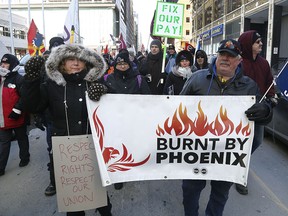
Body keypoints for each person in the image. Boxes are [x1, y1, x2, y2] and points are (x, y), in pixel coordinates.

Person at [180, 39, 273, 216]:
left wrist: (265, 110)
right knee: (190, 191)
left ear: (239, 61)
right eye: (222, 54)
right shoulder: (197, 79)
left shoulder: (249, 86)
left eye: (231, 56)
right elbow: (176, 108)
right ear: (216, 57)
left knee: (220, 194)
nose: (225, 58)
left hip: (227, 155)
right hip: (195, 152)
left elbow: (263, 119)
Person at [22, 44, 112, 216]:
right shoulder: (51, 85)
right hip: (66, 150)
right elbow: (33, 105)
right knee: (74, 203)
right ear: (62, 63)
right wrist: (31, 80)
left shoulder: (94, 82)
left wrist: (105, 91)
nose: (76, 63)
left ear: (87, 63)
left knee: (101, 198)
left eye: (80, 60)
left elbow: (116, 107)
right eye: (71, 59)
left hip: (92, 147)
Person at [95, 52, 150, 190]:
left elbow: (149, 99)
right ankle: (118, 176)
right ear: (115, 65)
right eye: (119, 63)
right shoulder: (107, 79)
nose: (122, 66)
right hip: (114, 123)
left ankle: (134, 170)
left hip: (134, 122)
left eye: (125, 63)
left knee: (133, 147)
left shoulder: (138, 79)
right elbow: (98, 98)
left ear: (129, 64)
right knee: (117, 149)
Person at [236, 30, 277, 195]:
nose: (261, 44)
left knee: (257, 141)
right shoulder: (238, 63)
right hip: (239, 112)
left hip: (258, 111)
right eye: (257, 41)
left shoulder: (264, 63)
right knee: (238, 143)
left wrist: (272, 96)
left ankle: (241, 163)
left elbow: (269, 82)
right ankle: (239, 175)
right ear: (247, 44)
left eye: (261, 41)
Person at [0, 54, 30, 176]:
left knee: (22, 138)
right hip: (2, 119)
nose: (3, 65)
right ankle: (1, 167)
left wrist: (17, 110)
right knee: (4, 143)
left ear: (12, 65)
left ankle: (25, 158)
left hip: (17, 117)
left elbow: (25, 97)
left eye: (6, 63)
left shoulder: (18, 79)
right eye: (2, 63)